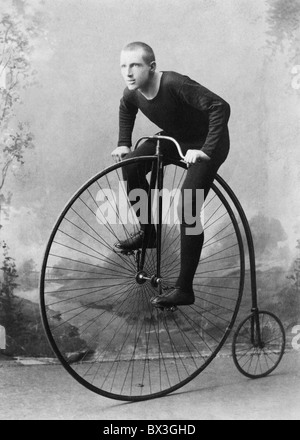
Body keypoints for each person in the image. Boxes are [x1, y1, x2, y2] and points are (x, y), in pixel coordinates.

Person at [111, 42, 230, 308]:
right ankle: (149, 232)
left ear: (151, 67)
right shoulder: (133, 92)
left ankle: (184, 289)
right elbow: (126, 106)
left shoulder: (174, 83)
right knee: (132, 163)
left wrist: (206, 150)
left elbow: (220, 107)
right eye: (123, 66)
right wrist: (123, 142)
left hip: (209, 142)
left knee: (187, 204)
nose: (128, 72)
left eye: (135, 65)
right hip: (178, 139)